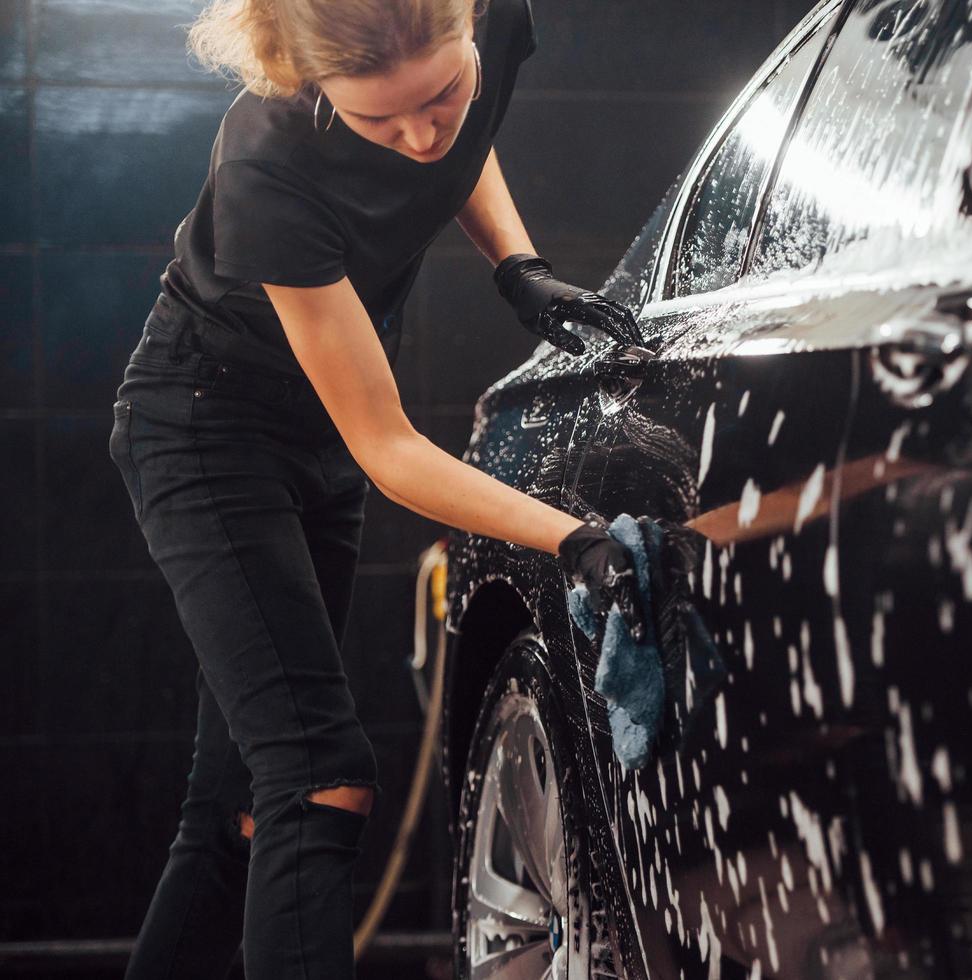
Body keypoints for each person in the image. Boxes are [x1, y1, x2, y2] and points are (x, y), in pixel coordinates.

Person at [107, 0, 648, 975]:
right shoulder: (263, 159)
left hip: (313, 433)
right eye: (376, 121)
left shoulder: (491, 23)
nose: (416, 137)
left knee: (236, 808)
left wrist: (516, 266)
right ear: (312, 87)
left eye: (440, 92)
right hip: (205, 426)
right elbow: (388, 446)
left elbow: (459, 142)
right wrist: (570, 536)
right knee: (317, 778)